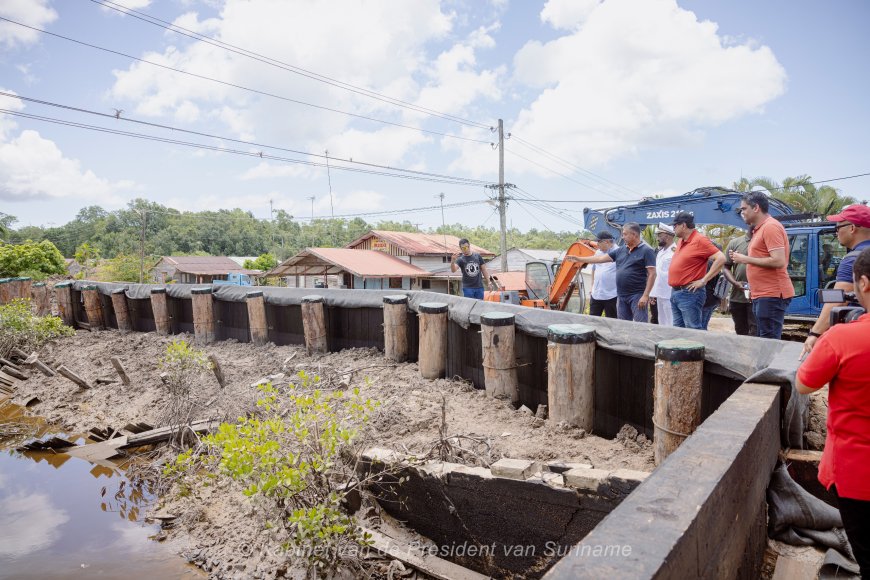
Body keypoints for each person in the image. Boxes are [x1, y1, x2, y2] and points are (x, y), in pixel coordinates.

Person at [796, 248, 870, 578]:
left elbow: (803, 385)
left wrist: (823, 338)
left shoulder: (845, 337)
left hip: (858, 473)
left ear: (863, 284)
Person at [801, 204, 870, 357]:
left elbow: (838, 300)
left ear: (852, 228)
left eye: (838, 226)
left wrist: (815, 333)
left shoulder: (853, 259)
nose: (836, 230)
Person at [729, 191, 795, 339]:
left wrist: (745, 259)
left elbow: (779, 261)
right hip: (763, 295)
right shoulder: (760, 229)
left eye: (744, 209)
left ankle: (770, 364)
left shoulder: (770, 227)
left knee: (768, 342)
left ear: (756, 208)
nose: (742, 213)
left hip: (771, 294)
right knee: (763, 341)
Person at [566, 222, 656, 322]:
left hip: (637, 295)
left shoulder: (647, 251)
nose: (622, 237)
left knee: (640, 325)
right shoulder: (621, 250)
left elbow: (652, 274)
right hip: (622, 296)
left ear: (634, 235)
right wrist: (579, 259)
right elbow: (600, 259)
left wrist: (646, 295)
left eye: (625, 234)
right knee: (623, 325)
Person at [667, 212, 726, 329]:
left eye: (675, 225)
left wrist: (703, 280)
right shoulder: (681, 241)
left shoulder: (700, 240)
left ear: (683, 225)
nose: (673, 228)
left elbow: (721, 258)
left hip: (689, 293)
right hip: (676, 292)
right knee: (678, 329)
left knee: (693, 329)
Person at [722, 231, 757, 336]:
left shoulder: (764, 241)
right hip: (737, 297)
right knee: (741, 332)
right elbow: (725, 266)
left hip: (758, 298)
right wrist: (735, 283)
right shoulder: (735, 242)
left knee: (756, 332)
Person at [649, 223, 676, 326]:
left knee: (671, 323)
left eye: (660, 235)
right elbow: (657, 274)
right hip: (659, 294)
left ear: (667, 236)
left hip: (669, 294)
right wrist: (652, 293)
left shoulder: (675, 252)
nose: (657, 238)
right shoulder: (660, 252)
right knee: (662, 322)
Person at [589, 231, 618, 318]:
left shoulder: (618, 252)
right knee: (592, 320)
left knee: (612, 322)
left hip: (612, 295)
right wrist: (592, 285)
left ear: (606, 242)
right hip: (596, 294)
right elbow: (594, 269)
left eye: (599, 242)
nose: (597, 244)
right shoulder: (598, 252)